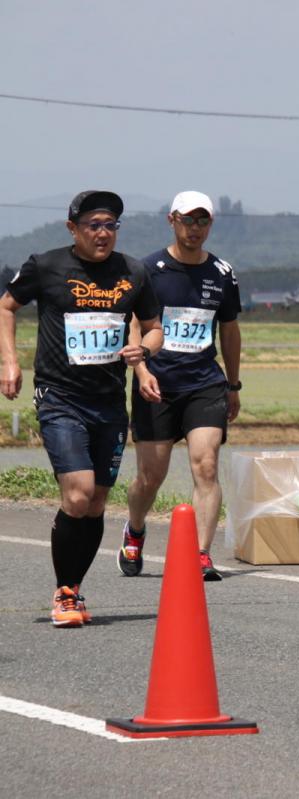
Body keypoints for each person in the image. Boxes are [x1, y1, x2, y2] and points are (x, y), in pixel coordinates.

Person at [0, 191, 162, 627]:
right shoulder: (46, 265)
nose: (102, 233)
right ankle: (65, 593)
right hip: (59, 396)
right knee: (77, 492)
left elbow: (154, 328)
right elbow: (7, 306)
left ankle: (73, 587)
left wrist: (142, 351)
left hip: (108, 402)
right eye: (93, 224)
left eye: (110, 224)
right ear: (73, 229)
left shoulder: (133, 271)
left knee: (95, 504)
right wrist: (10, 361)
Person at [122, 191, 242, 582]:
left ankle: (201, 553)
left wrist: (233, 384)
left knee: (206, 465)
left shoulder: (222, 273)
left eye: (202, 221)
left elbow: (229, 328)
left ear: (211, 224)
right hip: (156, 382)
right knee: (150, 477)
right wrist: (141, 373)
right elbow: (134, 326)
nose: (195, 229)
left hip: (204, 382)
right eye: (188, 220)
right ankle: (136, 529)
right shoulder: (148, 269)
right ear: (172, 220)